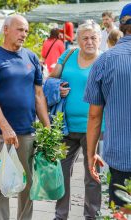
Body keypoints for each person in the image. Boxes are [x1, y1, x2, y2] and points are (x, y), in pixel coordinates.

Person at [0, 15, 50, 220]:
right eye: (20, 30)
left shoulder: (31, 57)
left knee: (27, 185)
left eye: (26, 31)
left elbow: (39, 95)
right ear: (6, 30)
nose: (24, 34)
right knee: (0, 185)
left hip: (27, 132)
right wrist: (5, 128)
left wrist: (47, 127)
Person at [50, 20, 102, 220]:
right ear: (78, 39)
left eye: (93, 38)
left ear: (99, 40)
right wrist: (57, 88)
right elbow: (51, 78)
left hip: (95, 128)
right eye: (85, 37)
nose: (89, 41)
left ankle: (92, 216)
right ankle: (60, 216)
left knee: (92, 176)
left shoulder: (105, 60)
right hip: (66, 125)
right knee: (61, 173)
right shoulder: (68, 54)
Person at [84, 3, 131, 207]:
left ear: (120, 27)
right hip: (120, 156)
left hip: (120, 157)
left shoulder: (104, 62)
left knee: (122, 212)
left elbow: (95, 115)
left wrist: (91, 152)